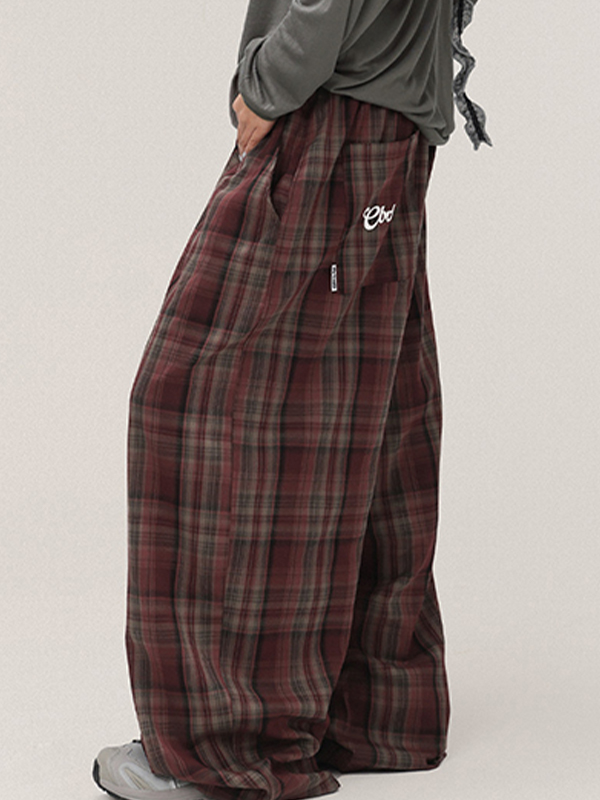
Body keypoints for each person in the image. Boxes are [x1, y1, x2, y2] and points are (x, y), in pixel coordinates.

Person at [93, 2, 491, 799]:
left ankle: (227, 747)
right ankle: (370, 713)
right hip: (388, 133)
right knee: (361, 415)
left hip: (332, 128)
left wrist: (266, 85)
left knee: (202, 407)